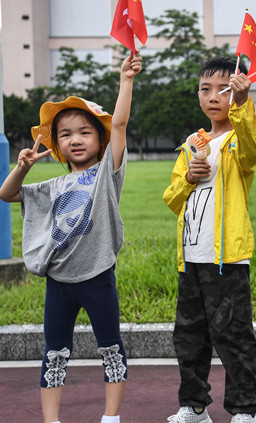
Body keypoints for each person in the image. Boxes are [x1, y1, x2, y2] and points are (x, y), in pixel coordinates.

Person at [0, 54, 142, 423]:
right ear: (57, 146)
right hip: (59, 283)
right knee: (55, 352)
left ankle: (111, 417)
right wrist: (22, 168)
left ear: (100, 138)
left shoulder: (105, 176)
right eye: (65, 135)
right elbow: (7, 194)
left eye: (84, 132)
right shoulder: (52, 185)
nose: (75, 140)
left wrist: (125, 79)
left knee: (111, 348)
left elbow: (122, 123)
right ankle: (51, 420)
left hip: (98, 277)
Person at [163, 57, 256, 423]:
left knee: (234, 336)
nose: (213, 97)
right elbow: (172, 199)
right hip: (190, 258)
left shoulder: (239, 140)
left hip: (227, 259)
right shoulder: (193, 142)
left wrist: (242, 104)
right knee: (189, 338)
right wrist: (188, 177)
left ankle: (243, 410)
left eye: (222, 89)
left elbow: (255, 148)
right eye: (205, 89)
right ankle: (193, 406)